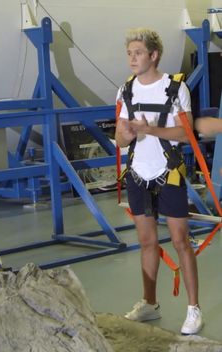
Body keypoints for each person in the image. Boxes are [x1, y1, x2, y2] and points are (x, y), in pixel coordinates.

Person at [115, 27, 203, 335]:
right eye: (129, 54)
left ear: (154, 55)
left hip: (170, 173)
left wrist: (151, 130)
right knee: (147, 242)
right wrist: (125, 134)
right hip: (138, 173)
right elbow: (119, 139)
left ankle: (193, 309)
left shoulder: (175, 88)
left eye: (138, 53)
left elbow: (187, 133)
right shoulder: (126, 90)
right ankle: (149, 303)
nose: (132, 59)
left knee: (180, 241)